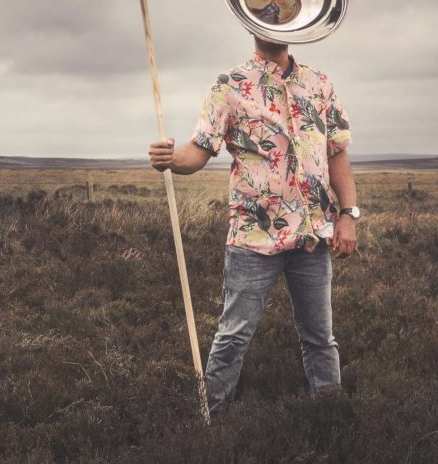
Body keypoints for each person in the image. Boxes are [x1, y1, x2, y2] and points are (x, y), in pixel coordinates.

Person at [148, 37, 358, 418]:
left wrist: (348, 213)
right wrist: (170, 158)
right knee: (232, 337)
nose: (274, 19)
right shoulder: (230, 85)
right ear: (250, 21)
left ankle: (331, 420)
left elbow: (337, 152)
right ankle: (209, 423)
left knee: (320, 339)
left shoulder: (319, 83)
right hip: (252, 239)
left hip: (311, 237)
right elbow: (198, 150)